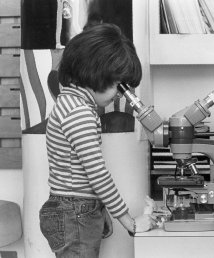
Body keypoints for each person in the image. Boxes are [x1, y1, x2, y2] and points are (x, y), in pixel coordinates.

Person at [39, 23, 156, 258]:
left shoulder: (69, 104)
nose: (120, 95)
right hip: (74, 212)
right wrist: (129, 221)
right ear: (98, 73)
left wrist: (99, 211)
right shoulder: (79, 112)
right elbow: (96, 172)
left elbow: (77, 173)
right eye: (119, 86)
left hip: (75, 209)